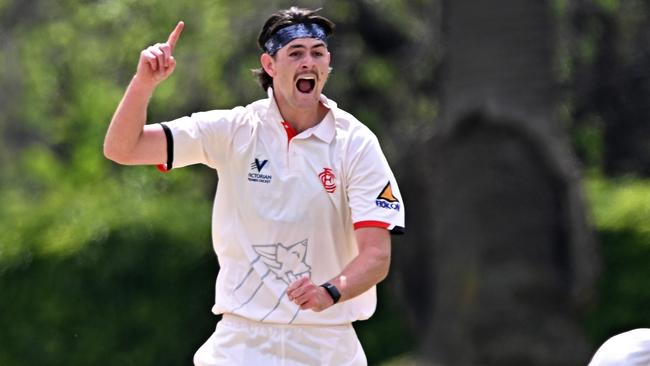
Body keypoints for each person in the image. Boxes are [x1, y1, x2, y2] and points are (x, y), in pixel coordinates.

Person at [104, 7, 405, 366]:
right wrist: (143, 84)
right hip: (241, 343)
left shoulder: (355, 142)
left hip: (326, 343)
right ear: (270, 64)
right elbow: (123, 148)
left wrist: (330, 291)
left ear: (328, 63)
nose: (309, 62)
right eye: (296, 53)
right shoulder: (234, 130)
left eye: (317, 52)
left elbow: (376, 256)